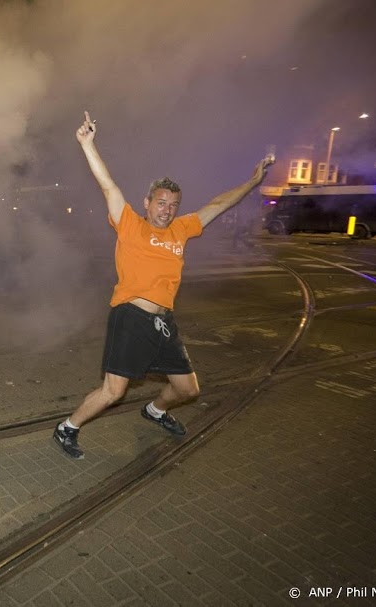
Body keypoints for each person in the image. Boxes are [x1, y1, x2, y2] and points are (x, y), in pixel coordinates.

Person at [53, 111, 272, 460]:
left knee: (188, 389)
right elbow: (108, 185)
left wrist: (252, 182)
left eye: (173, 205)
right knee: (113, 391)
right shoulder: (129, 225)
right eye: (161, 203)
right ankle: (68, 427)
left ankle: (155, 410)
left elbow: (218, 204)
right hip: (131, 316)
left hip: (163, 322)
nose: (167, 210)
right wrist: (87, 144)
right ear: (147, 203)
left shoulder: (181, 229)